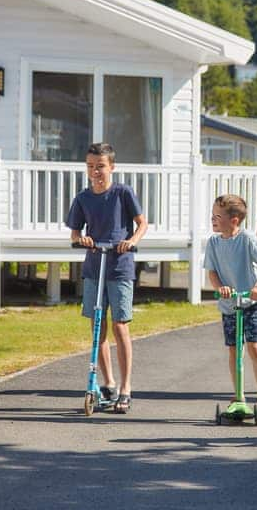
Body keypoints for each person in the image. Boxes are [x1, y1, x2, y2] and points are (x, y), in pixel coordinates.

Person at [67, 142, 148, 414]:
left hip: (120, 266)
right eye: (90, 167)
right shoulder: (83, 198)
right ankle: (108, 383)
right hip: (94, 267)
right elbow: (75, 234)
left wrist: (131, 240)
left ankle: (125, 388)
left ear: (111, 166)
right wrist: (83, 239)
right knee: (97, 326)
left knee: (120, 326)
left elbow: (142, 222)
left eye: (100, 166)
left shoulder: (123, 193)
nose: (95, 172)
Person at [205, 194, 257, 419]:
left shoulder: (247, 239)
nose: (212, 220)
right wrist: (220, 288)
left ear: (234, 220)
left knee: (254, 346)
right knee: (234, 350)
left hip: (251, 302)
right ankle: (239, 396)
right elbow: (212, 272)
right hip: (229, 304)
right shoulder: (213, 243)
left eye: (217, 216)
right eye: (212, 215)